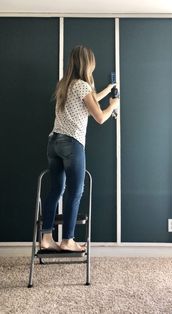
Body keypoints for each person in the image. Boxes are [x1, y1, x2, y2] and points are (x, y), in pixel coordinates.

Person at [41, 45, 119, 252]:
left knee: (56, 190)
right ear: (88, 63)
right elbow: (100, 117)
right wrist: (113, 106)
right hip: (72, 143)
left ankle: (47, 238)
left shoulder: (65, 85)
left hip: (54, 142)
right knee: (75, 192)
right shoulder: (83, 86)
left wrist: (109, 89)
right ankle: (68, 240)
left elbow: (90, 99)